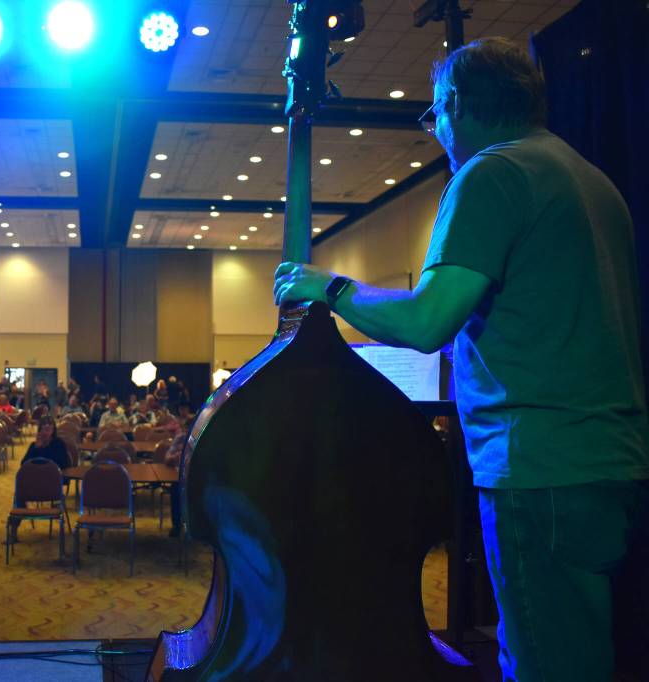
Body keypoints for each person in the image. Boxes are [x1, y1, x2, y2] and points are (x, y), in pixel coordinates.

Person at [273, 38, 647, 682]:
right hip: (617, 465)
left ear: (456, 105)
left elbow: (426, 322)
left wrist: (327, 287)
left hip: (540, 470)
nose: (438, 131)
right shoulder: (593, 180)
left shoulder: (492, 173)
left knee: (542, 664)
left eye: (435, 115)